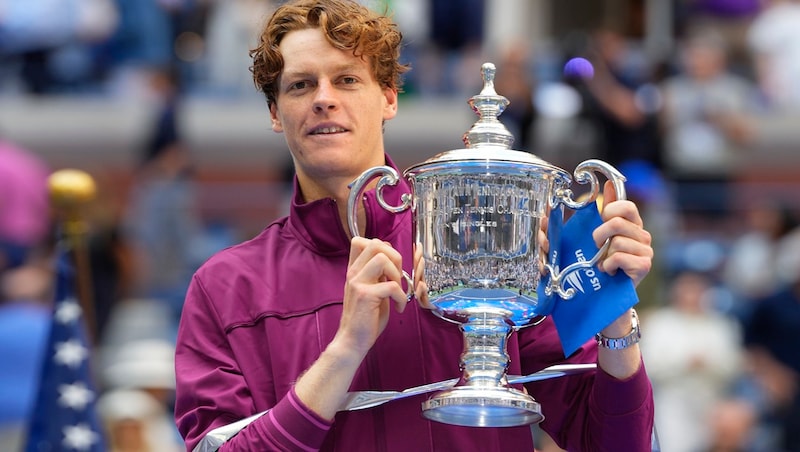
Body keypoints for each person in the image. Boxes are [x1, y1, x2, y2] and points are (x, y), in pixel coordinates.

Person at [173, 1, 655, 451]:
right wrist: (345, 349)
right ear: (276, 113)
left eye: (346, 80)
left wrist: (613, 311)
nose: (323, 99)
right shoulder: (224, 289)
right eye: (300, 85)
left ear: (388, 97)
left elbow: (612, 442)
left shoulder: (489, 245)